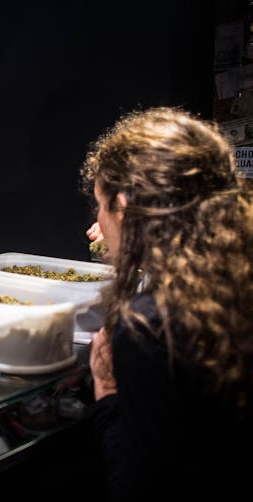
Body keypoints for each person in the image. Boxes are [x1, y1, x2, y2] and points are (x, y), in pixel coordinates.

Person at [80, 107, 253, 500]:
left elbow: (140, 488)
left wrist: (107, 391)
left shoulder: (148, 326)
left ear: (123, 206)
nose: (99, 220)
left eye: (100, 205)